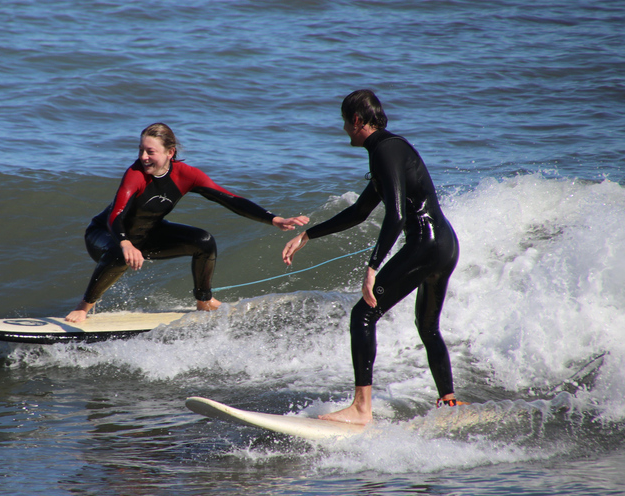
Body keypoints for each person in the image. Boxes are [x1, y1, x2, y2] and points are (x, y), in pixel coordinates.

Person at [282, 90, 462, 425]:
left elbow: (394, 216)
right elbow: (360, 212)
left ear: (357, 120)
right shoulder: (392, 150)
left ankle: (361, 409)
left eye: (345, 123)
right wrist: (308, 234)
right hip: (445, 244)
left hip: (425, 243)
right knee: (427, 327)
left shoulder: (384, 150)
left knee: (363, 314)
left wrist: (373, 266)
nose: (344, 131)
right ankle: (449, 402)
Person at [66, 123, 309, 323]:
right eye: (141, 150)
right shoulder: (135, 174)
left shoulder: (187, 175)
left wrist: (274, 219)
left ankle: (204, 301)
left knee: (203, 242)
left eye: (150, 151)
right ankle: (84, 306)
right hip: (104, 234)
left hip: (147, 236)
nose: (143, 157)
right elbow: (115, 215)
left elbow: (230, 199)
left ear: (170, 153)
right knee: (120, 252)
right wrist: (125, 243)